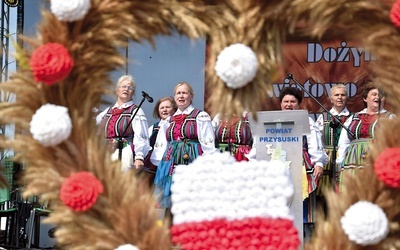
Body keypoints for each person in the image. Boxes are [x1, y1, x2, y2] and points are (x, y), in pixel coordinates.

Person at [152, 82, 218, 209]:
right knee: (171, 199)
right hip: (170, 161)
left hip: (192, 158)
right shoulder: (168, 120)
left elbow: (208, 144)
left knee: (191, 197)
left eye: (184, 93)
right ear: (174, 97)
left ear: (191, 96)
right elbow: (161, 145)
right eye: (178, 93)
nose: (181, 96)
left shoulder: (200, 116)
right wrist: (161, 166)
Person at [279, 87, 329, 241]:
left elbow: (315, 144)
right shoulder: (272, 120)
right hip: (278, 169)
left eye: (292, 101)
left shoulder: (306, 121)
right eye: (285, 101)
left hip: (302, 169)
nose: (289, 105)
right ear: (280, 104)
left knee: (305, 212)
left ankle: (306, 243)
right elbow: (259, 146)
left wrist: (319, 163)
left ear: (299, 104)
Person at [336, 82, 395, 192]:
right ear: (365, 98)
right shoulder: (354, 118)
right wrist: (340, 163)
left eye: (381, 95)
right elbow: (344, 142)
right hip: (353, 161)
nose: (378, 97)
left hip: (377, 160)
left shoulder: (390, 118)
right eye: (374, 94)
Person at [96, 75, 151, 172]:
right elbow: (94, 127)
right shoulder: (108, 111)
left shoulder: (136, 111)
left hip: (124, 153)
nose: (126, 89)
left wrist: (139, 157)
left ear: (132, 93)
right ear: (117, 90)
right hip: (105, 152)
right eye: (123, 86)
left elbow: (141, 136)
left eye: (130, 88)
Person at [315, 84, 352, 194]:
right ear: (331, 99)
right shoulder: (324, 117)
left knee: (342, 191)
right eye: (336, 95)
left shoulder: (353, 117)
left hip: (345, 157)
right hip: (327, 157)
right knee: (324, 193)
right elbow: (316, 138)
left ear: (346, 98)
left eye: (343, 95)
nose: (340, 97)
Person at [142, 96, 177, 185]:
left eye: (168, 107)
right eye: (162, 108)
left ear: (174, 109)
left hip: (171, 162)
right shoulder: (153, 128)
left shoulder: (176, 126)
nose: (164, 110)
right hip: (153, 165)